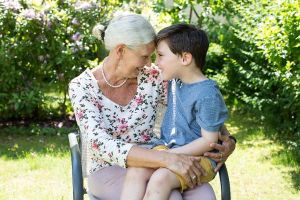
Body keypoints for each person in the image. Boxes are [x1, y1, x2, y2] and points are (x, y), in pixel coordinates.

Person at [69, 12, 236, 200]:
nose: (150, 63)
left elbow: (196, 106)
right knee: (170, 196)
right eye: (145, 56)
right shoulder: (82, 87)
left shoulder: (154, 77)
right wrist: (168, 159)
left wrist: (228, 140)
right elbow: (98, 143)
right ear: (120, 50)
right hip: (112, 167)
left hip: (165, 157)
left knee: (203, 196)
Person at [120, 23, 229, 200]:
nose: (156, 62)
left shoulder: (207, 94)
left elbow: (209, 141)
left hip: (199, 158)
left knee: (160, 180)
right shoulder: (175, 80)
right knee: (137, 170)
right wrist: (165, 155)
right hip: (169, 147)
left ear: (185, 58)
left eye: (161, 56)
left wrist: (168, 156)